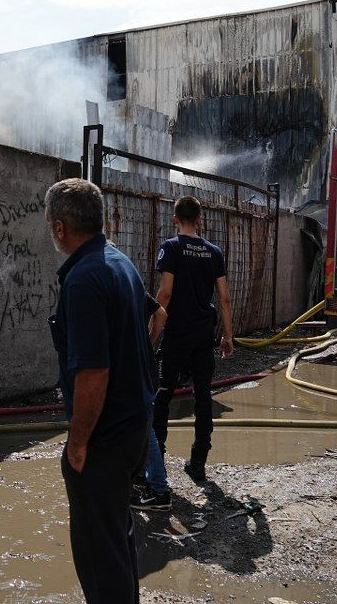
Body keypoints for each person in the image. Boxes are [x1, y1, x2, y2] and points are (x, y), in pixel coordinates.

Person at [44, 178, 152, 604]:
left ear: (59, 228)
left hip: (105, 437)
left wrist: (78, 444)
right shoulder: (119, 262)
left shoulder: (83, 279)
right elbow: (153, 319)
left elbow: (93, 374)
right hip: (133, 426)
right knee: (116, 535)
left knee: (97, 551)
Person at [152, 196, 234, 484]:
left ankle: (157, 461)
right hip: (202, 335)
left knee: (162, 394)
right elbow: (223, 298)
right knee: (203, 396)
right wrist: (227, 336)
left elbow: (165, 294)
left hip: (177, 333)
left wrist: (153, 334)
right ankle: (198, 463)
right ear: (200, 219)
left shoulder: (171, 248)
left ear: (175, 219)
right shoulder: (214, 252)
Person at [131, 291, 171, 510]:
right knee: (140, 426)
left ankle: (159, 490)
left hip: (135, 370)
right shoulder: (132, 285)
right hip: (145, 366)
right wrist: (149, 341)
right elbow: (161, 314)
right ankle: (145, 480)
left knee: (145, 429)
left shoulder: (114, 288)